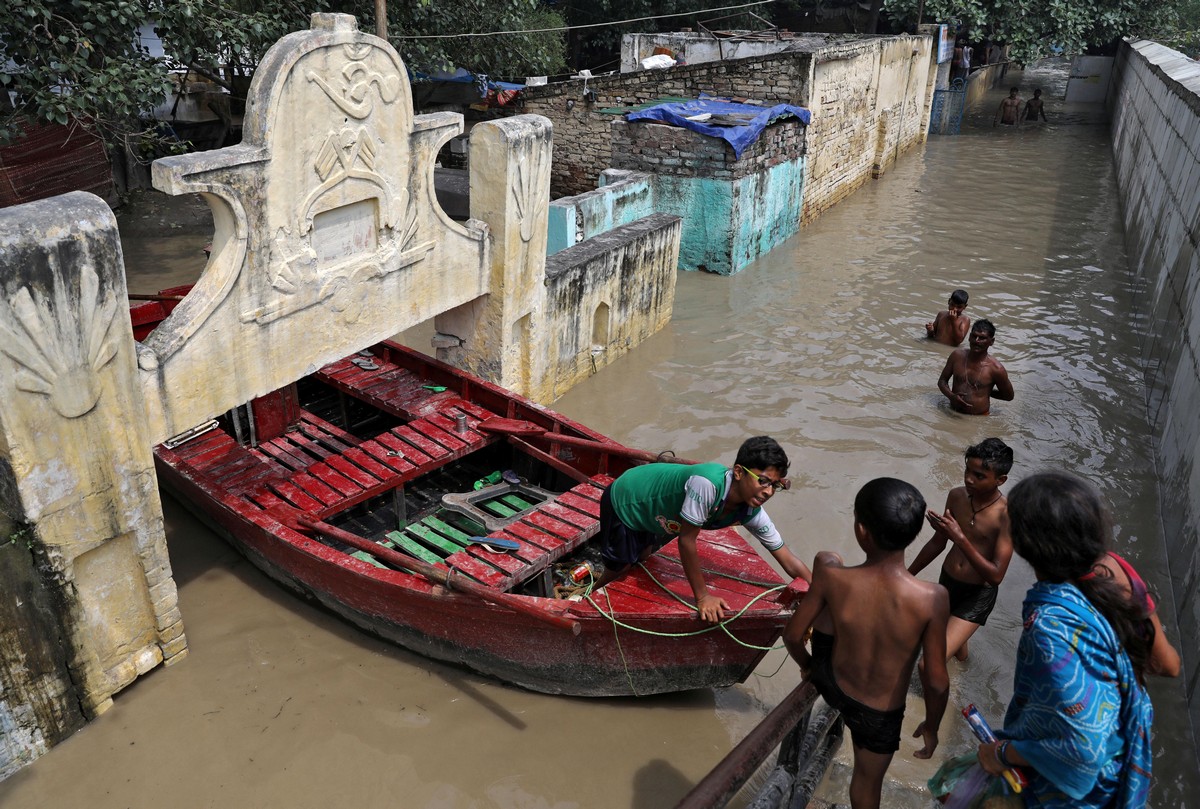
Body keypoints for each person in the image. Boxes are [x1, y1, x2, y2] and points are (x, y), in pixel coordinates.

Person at [975, 471, 1155, 808]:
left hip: (1076, 795)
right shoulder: (1098, 592)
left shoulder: (1050, 629)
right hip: (1111, 770)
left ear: (1025, 544)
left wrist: (1002, 752)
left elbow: (1082, 751)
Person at [784, 478, 949, 809]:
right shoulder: (933, 598)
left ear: (861, 529)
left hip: (831, 681)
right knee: (865, 786)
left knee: (828, 559)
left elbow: (791, 635)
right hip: (879, 713)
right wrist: (932, 726)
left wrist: (808, 666)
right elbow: (935, 679)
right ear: (915, 532)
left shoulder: (832, 577)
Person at [594, 436, 812, 623]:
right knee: (619, 568)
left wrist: (820, 594)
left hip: (657, 514)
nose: (768, 491)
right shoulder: (706, 485)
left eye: (775, 485)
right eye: (763, 481)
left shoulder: (752, 510)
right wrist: (703, 598)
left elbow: (787, 557)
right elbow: (686, 541)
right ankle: (591, 597)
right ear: (738, 472)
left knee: (643, 557)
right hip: (628, 499)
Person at [908, 438, 1014, 662]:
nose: (969, 479)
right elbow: (938, 543)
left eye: (979, 476)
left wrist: (959, 537)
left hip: (977, 595)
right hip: (948, 582)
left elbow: (996, 576)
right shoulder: (957, 496)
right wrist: (907, 576)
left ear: (1000, 480)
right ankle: (963, 672)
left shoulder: (1007, 516)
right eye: (967, 471)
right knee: (955, 648)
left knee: (929, 663)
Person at [937, 319, 1014, 415]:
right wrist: (951, 396)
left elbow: (1009, 396)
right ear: (969, 337)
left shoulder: (996, 369)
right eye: (974, 336)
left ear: (992, 341)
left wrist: (986, 391)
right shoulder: (956, 356)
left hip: (978, 419)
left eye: (982, 338)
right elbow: (942, 381)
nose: (976, 341)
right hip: (951, 411)